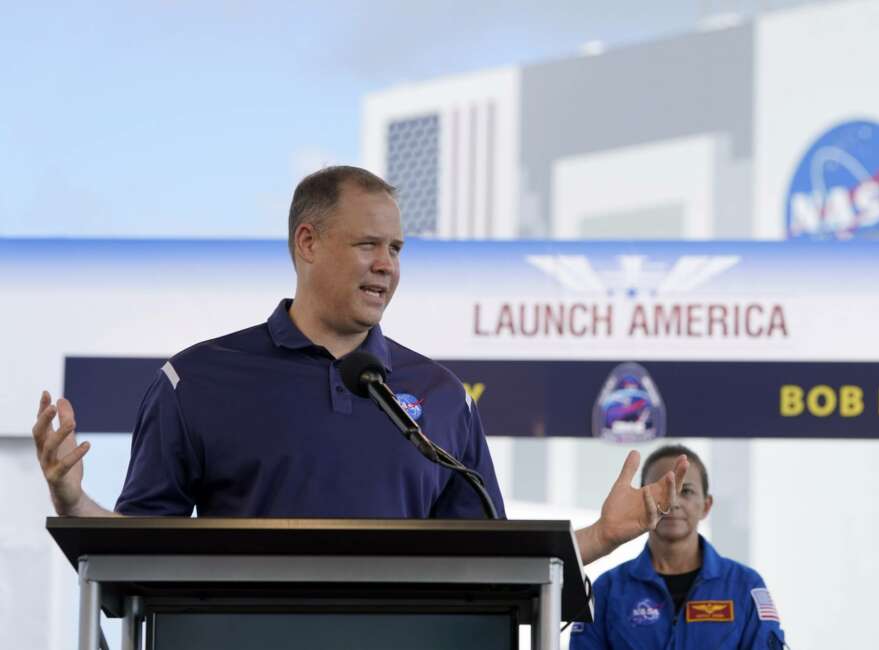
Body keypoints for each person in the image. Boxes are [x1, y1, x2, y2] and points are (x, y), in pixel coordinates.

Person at [31, 165, 688, 565]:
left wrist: (601, 536)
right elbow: (140, 559)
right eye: (369, 244)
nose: (387, 264)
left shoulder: (442, 394)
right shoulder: (193, 382)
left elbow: (493, 569)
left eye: (397, 248)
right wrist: (71, 499)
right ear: (307, 243)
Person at [569, 444, 786, 648]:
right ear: (639, 501)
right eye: (662, 491)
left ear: (706, 506)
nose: (673, 502)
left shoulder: (744, 585)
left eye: (686, 491)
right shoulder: (606, 589)